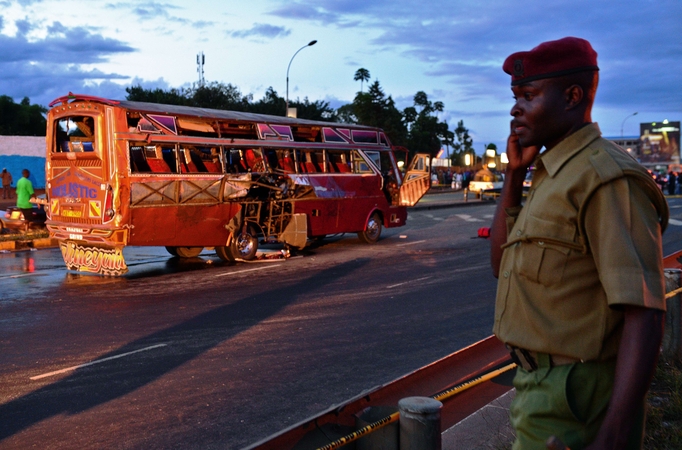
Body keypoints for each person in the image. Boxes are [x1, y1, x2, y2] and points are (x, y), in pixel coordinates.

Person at [489, 37, 668, 450]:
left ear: (572, 97)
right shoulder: (553, 174)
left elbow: (644, 311)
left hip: (577, 395)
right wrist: (514, 177)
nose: (516, 108)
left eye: (529, 96)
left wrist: (616, 431)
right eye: (515, 97)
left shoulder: (605, 179)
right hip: (539, 387)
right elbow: (501, 265)